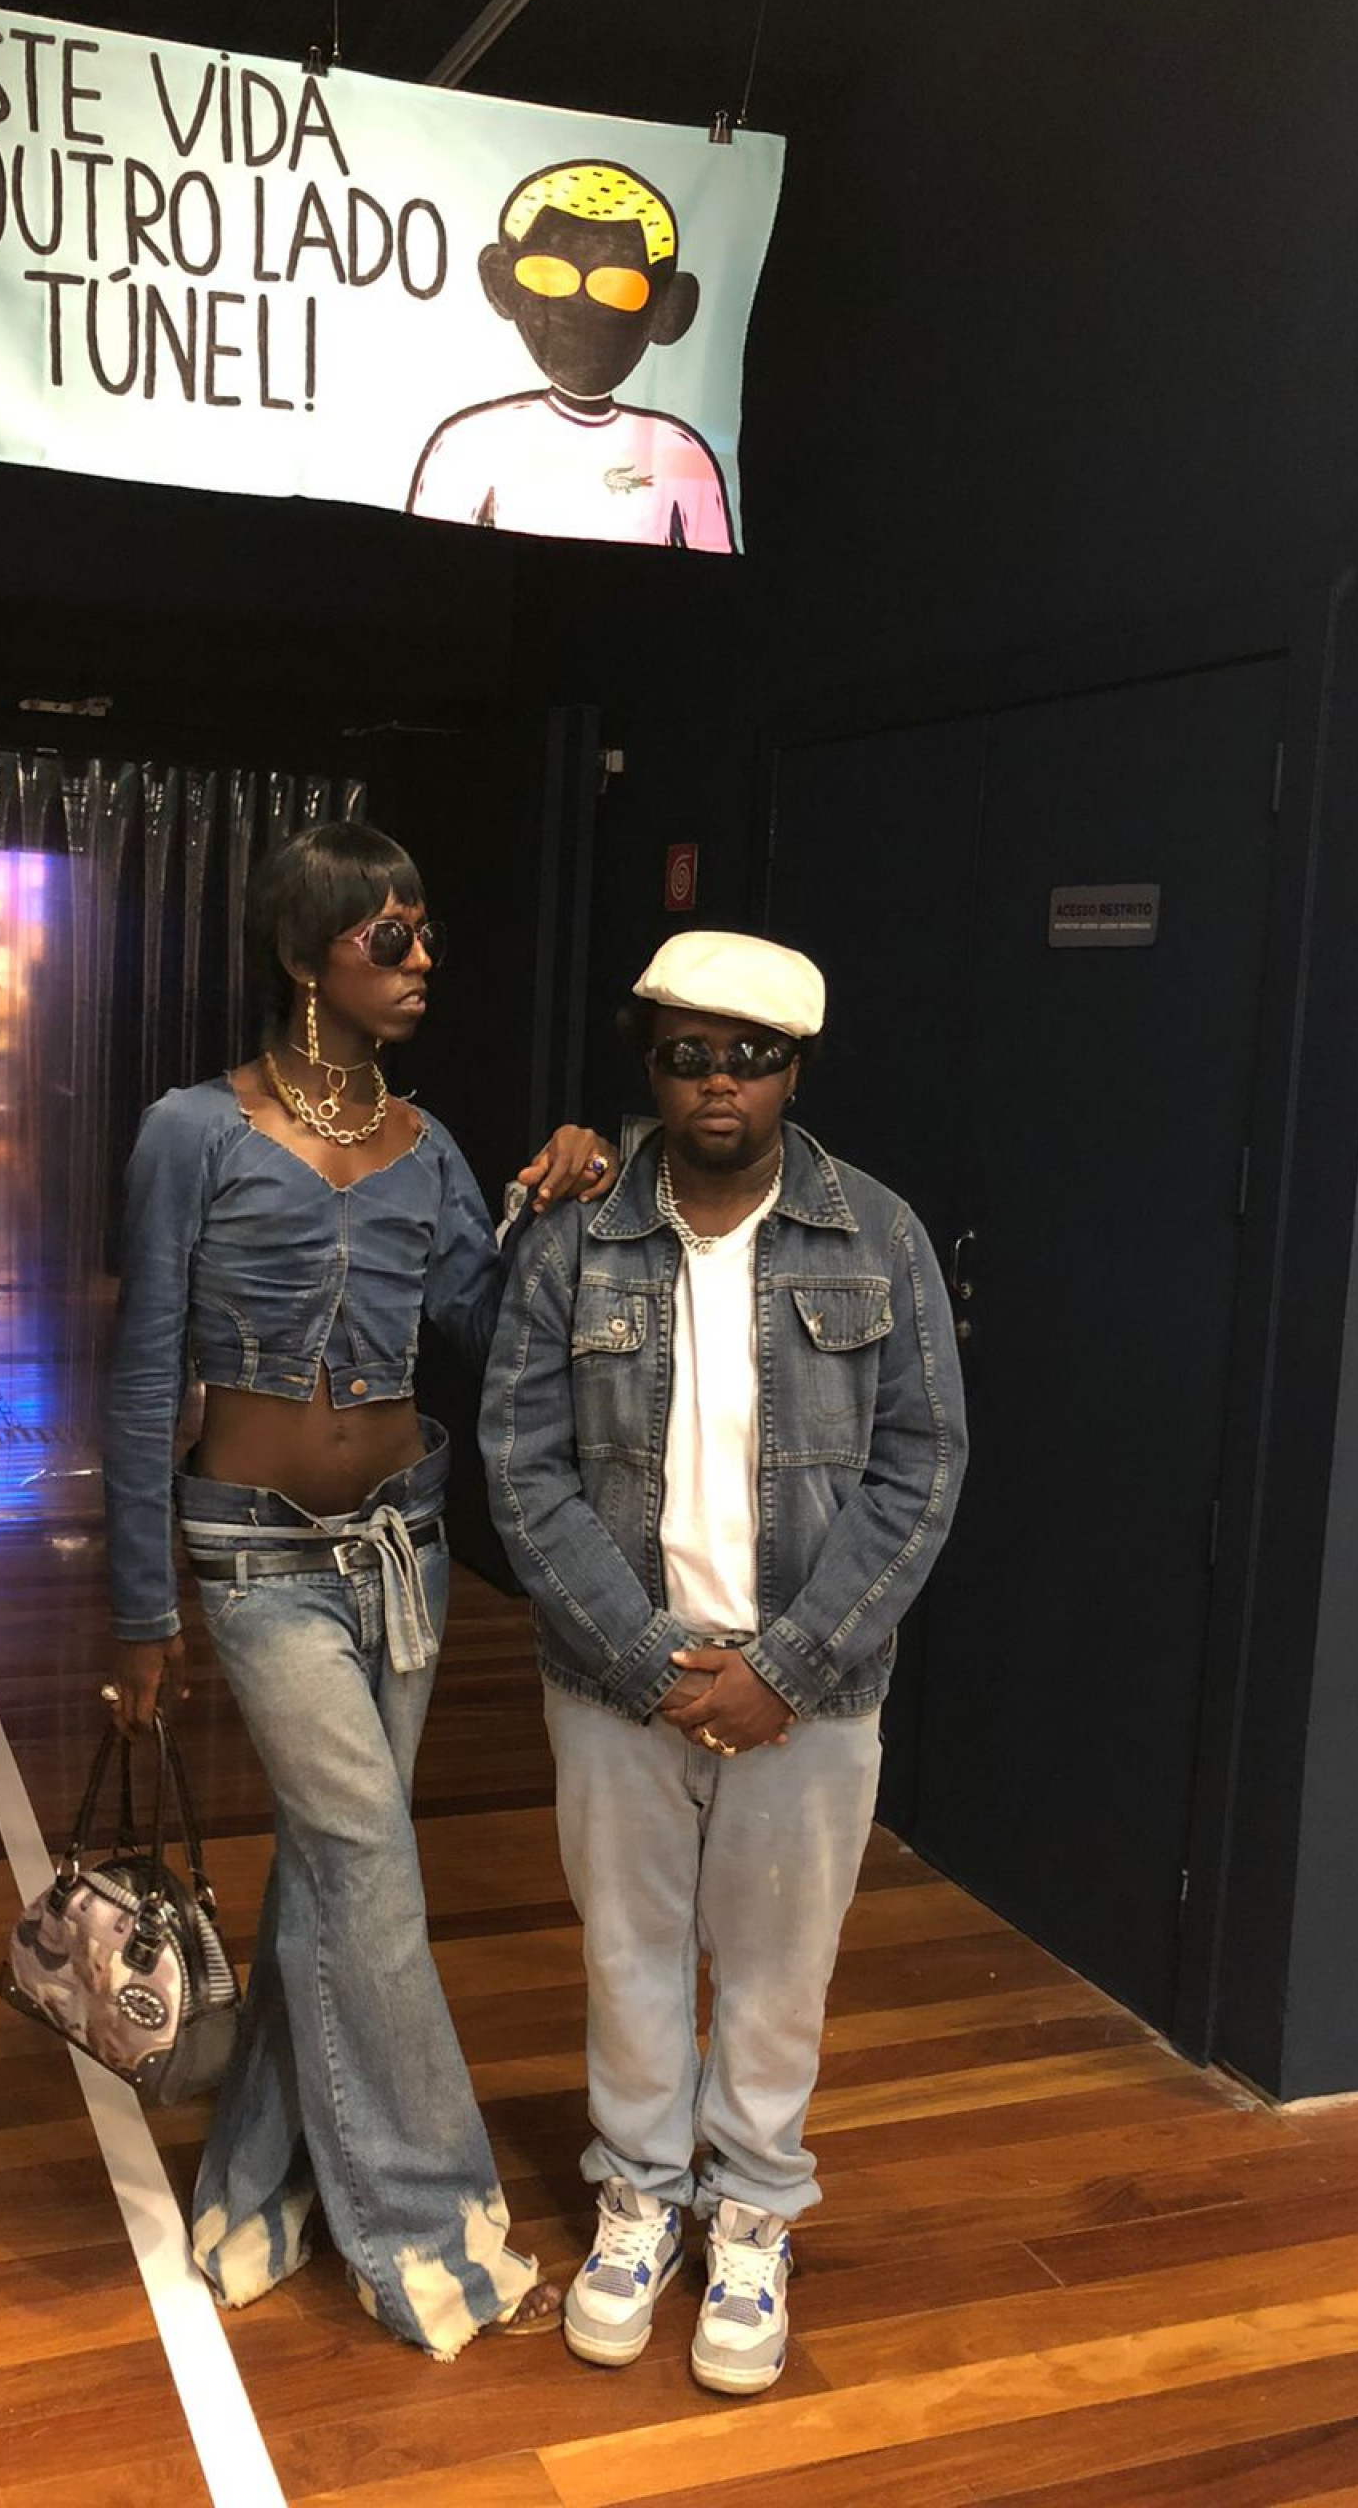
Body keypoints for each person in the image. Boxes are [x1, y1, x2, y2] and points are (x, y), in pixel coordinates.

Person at [101, 820, 613, 2362]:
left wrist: (555, 1205)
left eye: (425, 930)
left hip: (404, 1547)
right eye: (389, 936)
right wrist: (141, 1607)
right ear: (303, 955)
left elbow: (483, 1323)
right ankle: (429, 2229)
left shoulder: (427, 1146)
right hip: (256, 1560)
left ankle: (258, 2182)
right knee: (373, 1872)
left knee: (332, 1881)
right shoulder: (193, 1133)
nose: (422, 959)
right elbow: (144, 1372)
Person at [479, 931, 968, 2395]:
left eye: (751, 1057)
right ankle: (638, 2197)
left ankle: (751, 2212)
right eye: (688, 1054)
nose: (718, 1082)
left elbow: (922, 1469)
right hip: (616, 1676)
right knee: (629, 1953)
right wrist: (645, 1659)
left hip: (806, 1689)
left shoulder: (879, 1236)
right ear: (652, 1064)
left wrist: (791, 1668)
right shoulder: (574, 1235)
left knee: (775, 1969)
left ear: (793, 1071)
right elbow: (520, 1466)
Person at [407, 159, 736, 552]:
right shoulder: (469, 444)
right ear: (503, 283)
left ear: (667, 311)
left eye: (617, 286)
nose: (578, 305)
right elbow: (427, 563)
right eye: (549, 276)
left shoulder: (680, 453)